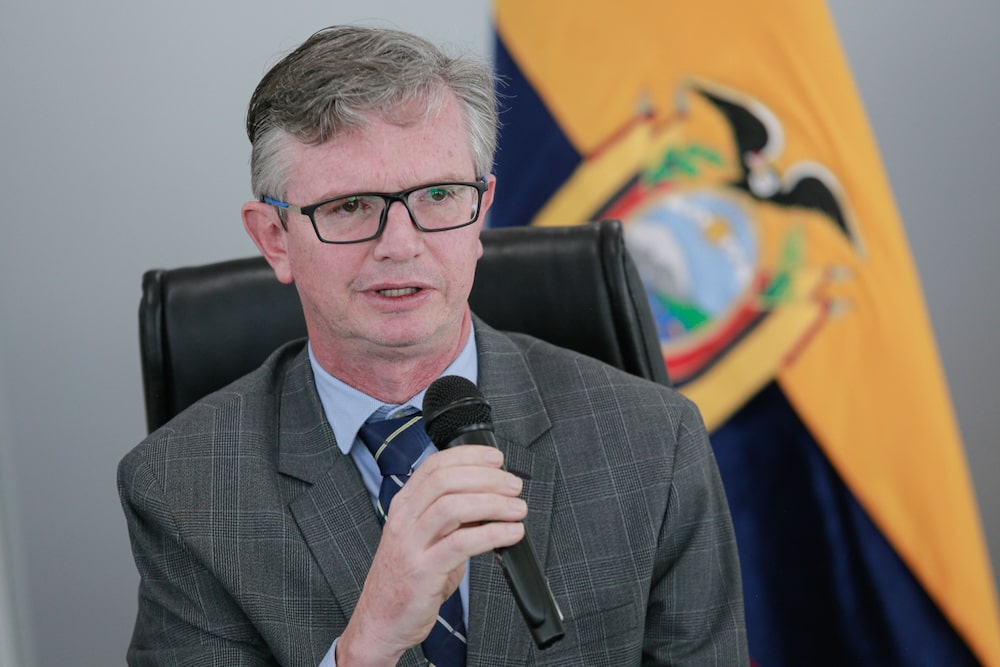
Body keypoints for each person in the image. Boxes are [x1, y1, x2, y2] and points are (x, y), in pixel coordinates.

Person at [118, 25, 749, 666]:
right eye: (350, 206)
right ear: (275, 239)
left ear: (481, 214)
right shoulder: (182, 487)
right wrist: (367, 647)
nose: (399, 243)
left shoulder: (652, 441)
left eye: (440, 196)